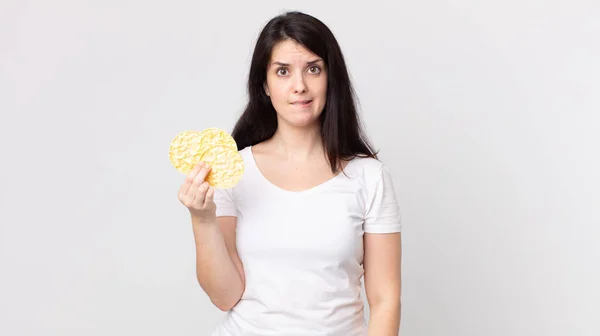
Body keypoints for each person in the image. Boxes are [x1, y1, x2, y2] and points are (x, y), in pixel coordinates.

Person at [177, 11, 403, 336]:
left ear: (330, 78)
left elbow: (385, 301)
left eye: (313, 69)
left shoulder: (369, 178)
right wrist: (202, 218)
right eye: (282, 71)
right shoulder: (234, 172)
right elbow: (224, 296)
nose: (299, 86)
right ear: (264, 85)